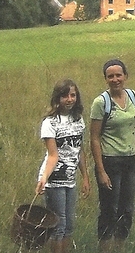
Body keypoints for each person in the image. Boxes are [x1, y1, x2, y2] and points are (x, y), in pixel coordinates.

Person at [90, 59, 135, 252]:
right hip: (110, 161)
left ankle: (120, 247)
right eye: (111, 76)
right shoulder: (101, 103)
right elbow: (94, 138)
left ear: (125, 76)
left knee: (127, 209)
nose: (115, 79)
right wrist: (101, 171)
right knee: (109, 209)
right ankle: (105, 248)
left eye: (119, 75)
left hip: (129, 160)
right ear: (105, 79)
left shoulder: (133, 96)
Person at [36, 79, 91, 253]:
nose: (69, 99)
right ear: (57, 98)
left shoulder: (78, 120)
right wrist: (43, 178)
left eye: (73, 95)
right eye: (65, 96)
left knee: (69, 226)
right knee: (58, 226)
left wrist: (85, 177)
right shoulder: (50, 123)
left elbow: (79, 150)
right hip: (54, 180)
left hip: (71, 180)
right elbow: (53, 155)